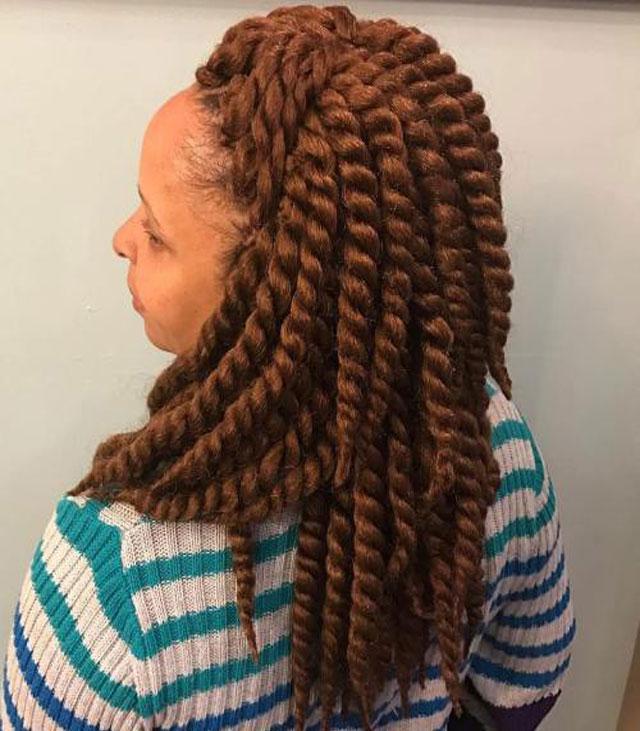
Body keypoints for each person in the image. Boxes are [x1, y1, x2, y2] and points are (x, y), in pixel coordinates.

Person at [0, 5, 576, 730]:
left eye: (156, 231)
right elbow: (528, 686)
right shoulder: (493, 450)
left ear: (268, 292)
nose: (122, 239)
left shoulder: (115, 588)